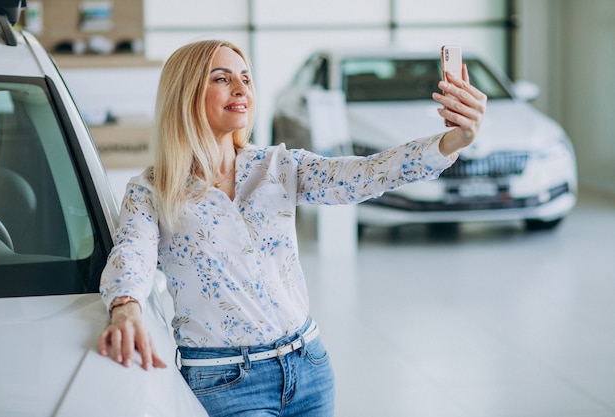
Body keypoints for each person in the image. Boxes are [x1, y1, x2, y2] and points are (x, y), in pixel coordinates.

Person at [97, 39, 487, 416]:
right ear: (184, 95)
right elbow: (133, 251)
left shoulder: (278, 166)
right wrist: (125, 307)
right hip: (224, 383)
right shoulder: (151, 190)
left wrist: (452, 140)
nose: (241, 88)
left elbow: (366, 173)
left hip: (309, 365)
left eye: (246, 78)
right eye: (221, 78)